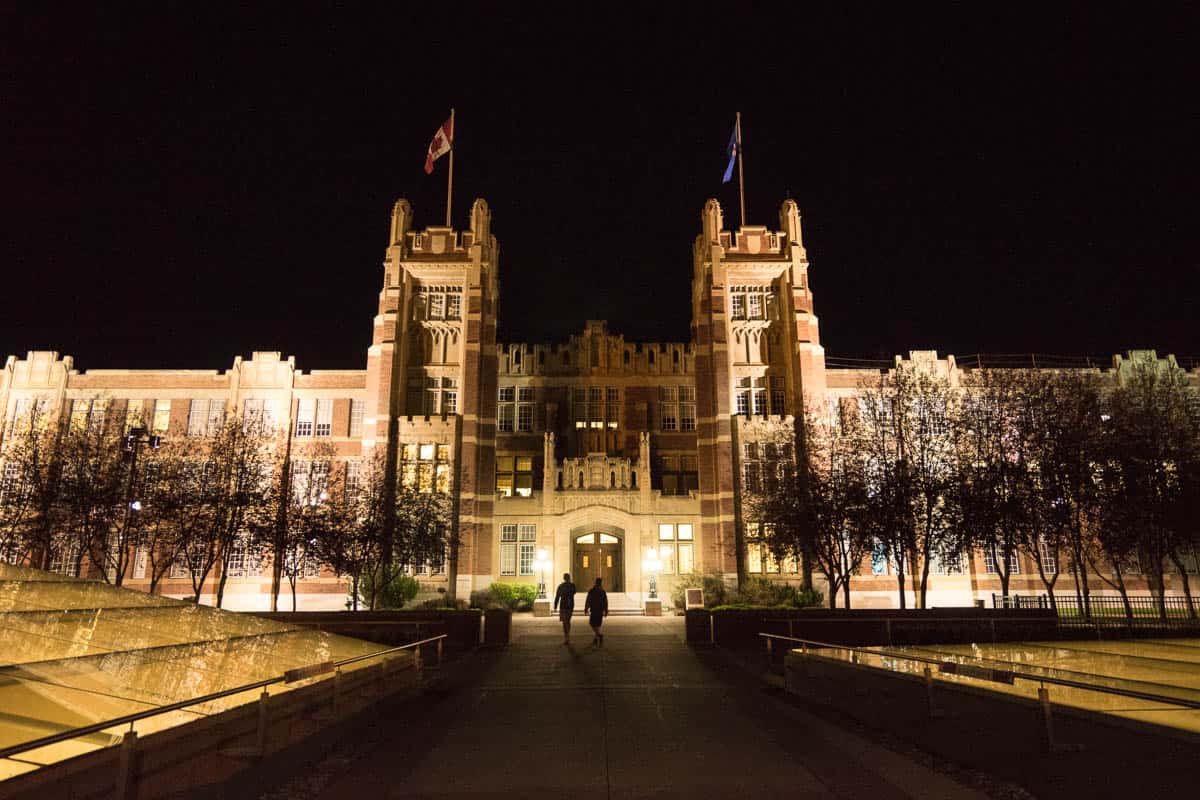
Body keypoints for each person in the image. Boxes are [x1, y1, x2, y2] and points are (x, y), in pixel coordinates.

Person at [584, 577, 608, 647]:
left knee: (592, 623)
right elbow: (605, 601)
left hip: (594, 609)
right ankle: (596, 637)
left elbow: (588, 599)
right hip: (599, 610)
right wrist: (606, 610)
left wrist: (586, 608)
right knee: (597, 625)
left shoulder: (592, 590)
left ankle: (598, 636)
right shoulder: (602, 591)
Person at [553, 572, 576, 644]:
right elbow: (574, 592)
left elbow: (557, 596)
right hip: (570, 605)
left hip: (563, 605)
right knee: (567, 621)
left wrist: (555, 606)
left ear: (564, 578)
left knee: (564, 622)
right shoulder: (572, 586)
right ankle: (567, 636)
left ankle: (566, 637)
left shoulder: (561, 586)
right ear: (569, 578)